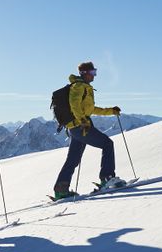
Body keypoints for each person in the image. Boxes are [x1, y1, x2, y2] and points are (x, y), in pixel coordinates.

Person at [53, 62, 123, 200]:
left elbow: (90, 109)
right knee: (107, 144)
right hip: (81, 127)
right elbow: (74, 105)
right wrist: (83, 121)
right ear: (84, 73)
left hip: (76, 128)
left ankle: (61, 190)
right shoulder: (79, 87)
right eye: (92, 72)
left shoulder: (84, 87)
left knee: (73, 159)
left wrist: (111, 111)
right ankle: (107, 178)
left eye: (95, 72)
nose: (94, 75)